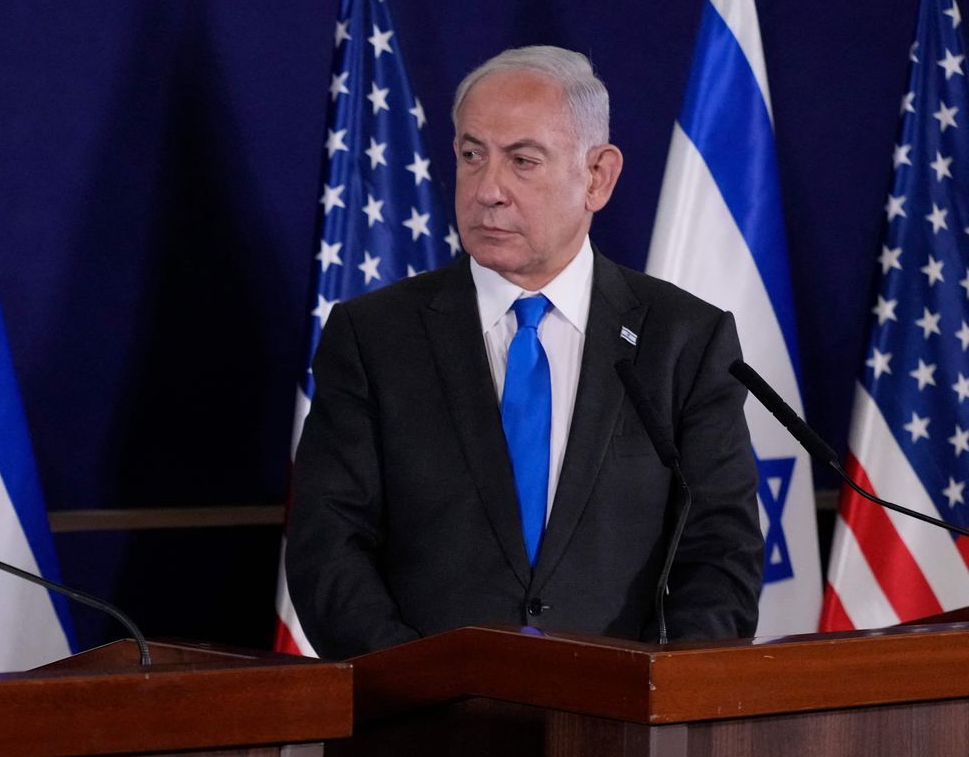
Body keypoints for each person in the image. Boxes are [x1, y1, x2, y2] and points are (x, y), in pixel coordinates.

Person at [287, 45, 762, 659]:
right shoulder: (374, 336)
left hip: (626, 732)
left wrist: (653, 697)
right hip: (420, 728)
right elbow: (328, 549)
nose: (488, 190)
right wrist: (419, 686)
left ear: (598, 176)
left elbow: (722, 554)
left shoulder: (684, 341)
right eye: (471, 155)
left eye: (522, 161)